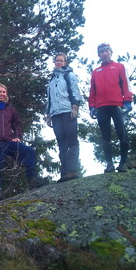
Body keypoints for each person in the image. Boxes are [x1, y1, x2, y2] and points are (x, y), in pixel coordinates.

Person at [89, 43, 133, 173]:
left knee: (122, 132)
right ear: (99, 55)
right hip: (101, 106)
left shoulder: (119, 67)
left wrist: (128, 101)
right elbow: (92, 91)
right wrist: (91, 106)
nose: (104, 54)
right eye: (101, 52)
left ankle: (123, 163)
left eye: (106, 51)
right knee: (105, 136)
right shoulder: (96, 72)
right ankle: (109, 164)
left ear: (111, 52)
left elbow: (126, 85)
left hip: (117, 105)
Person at [46, 53, 82, 182]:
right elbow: (49, 98)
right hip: (55, 113)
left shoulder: (69, 75)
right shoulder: (52, 79)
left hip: (67, 111)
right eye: (57, 60)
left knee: (72, 140)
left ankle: (72, 170)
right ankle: (64, 171)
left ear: (65, 62)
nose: (59, 62)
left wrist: (75, 107)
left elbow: (75, 91)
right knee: (61, 143)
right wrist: (48, 115)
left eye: (61, 61)